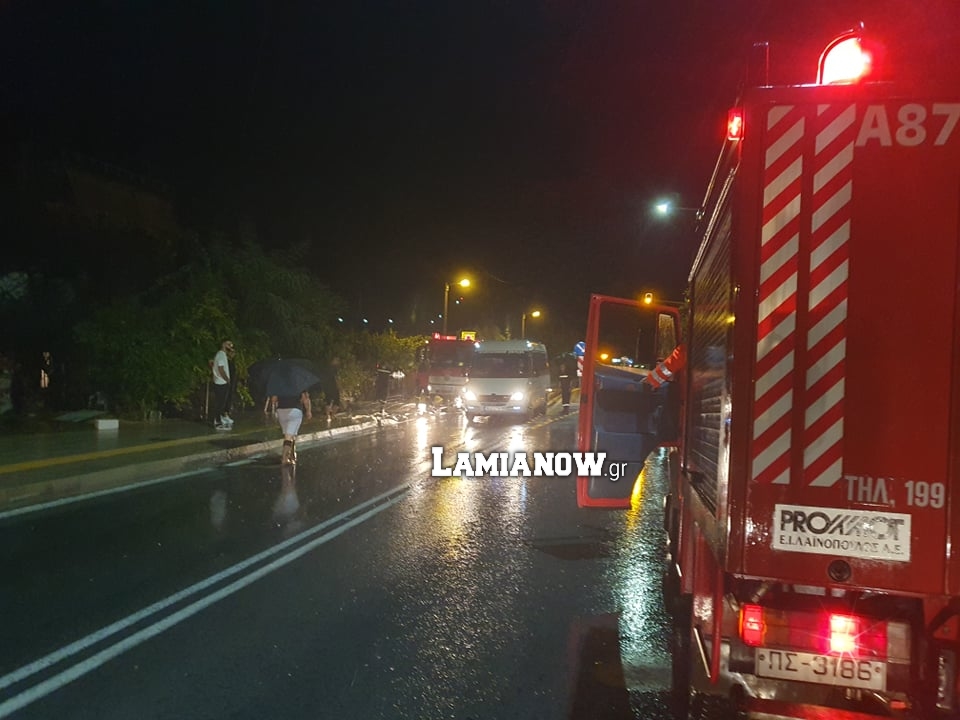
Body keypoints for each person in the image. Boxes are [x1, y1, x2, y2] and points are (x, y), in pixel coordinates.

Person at [276, 389, 312, 465]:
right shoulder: (299, 385)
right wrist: (308, 411)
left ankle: (292, 454)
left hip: (281, 411)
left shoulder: (280, 385)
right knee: (289, 436)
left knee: (289, 434)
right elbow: (305, 399)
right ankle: (285, 458)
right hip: (295, 411)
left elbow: (274, 399)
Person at [211, 340, 234, 429]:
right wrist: (227, 379)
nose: (230, 346)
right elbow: (220, 369)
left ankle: (219, 418)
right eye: (228, 344)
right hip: (221, 382)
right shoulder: (221, 355)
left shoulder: (222, 355)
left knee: (221, 402)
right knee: (220, 403)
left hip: (220, 381)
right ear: (223, 344)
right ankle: (217, 421)